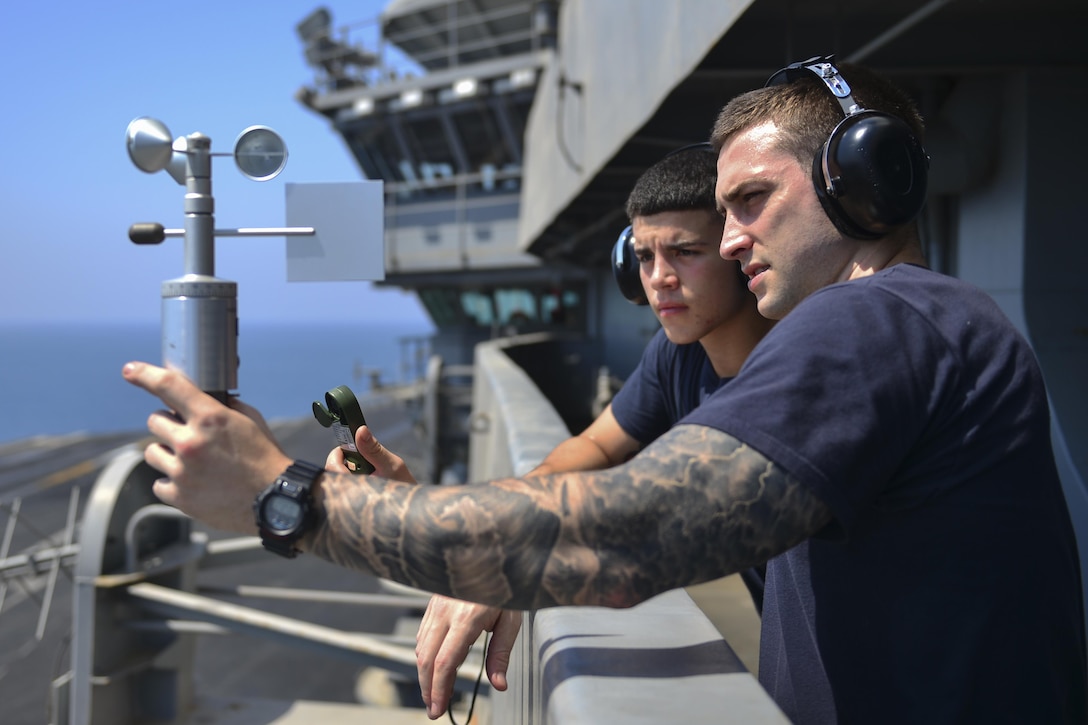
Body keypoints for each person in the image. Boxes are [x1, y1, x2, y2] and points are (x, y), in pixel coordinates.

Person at [122, 56, 1086, 724]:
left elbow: (620, 535)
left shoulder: (874, 321)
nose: (734, 238)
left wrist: (287, 496)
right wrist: (450, 529)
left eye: (753, 202)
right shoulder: (917, 322)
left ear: (861, 182)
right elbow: (598, 492)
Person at [404, 146, 774, 718]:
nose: (660, 279)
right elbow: (597, 444)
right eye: (645, 257)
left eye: (685, 252)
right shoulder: (678, 355)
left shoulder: (790, 367)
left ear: (736, 253)